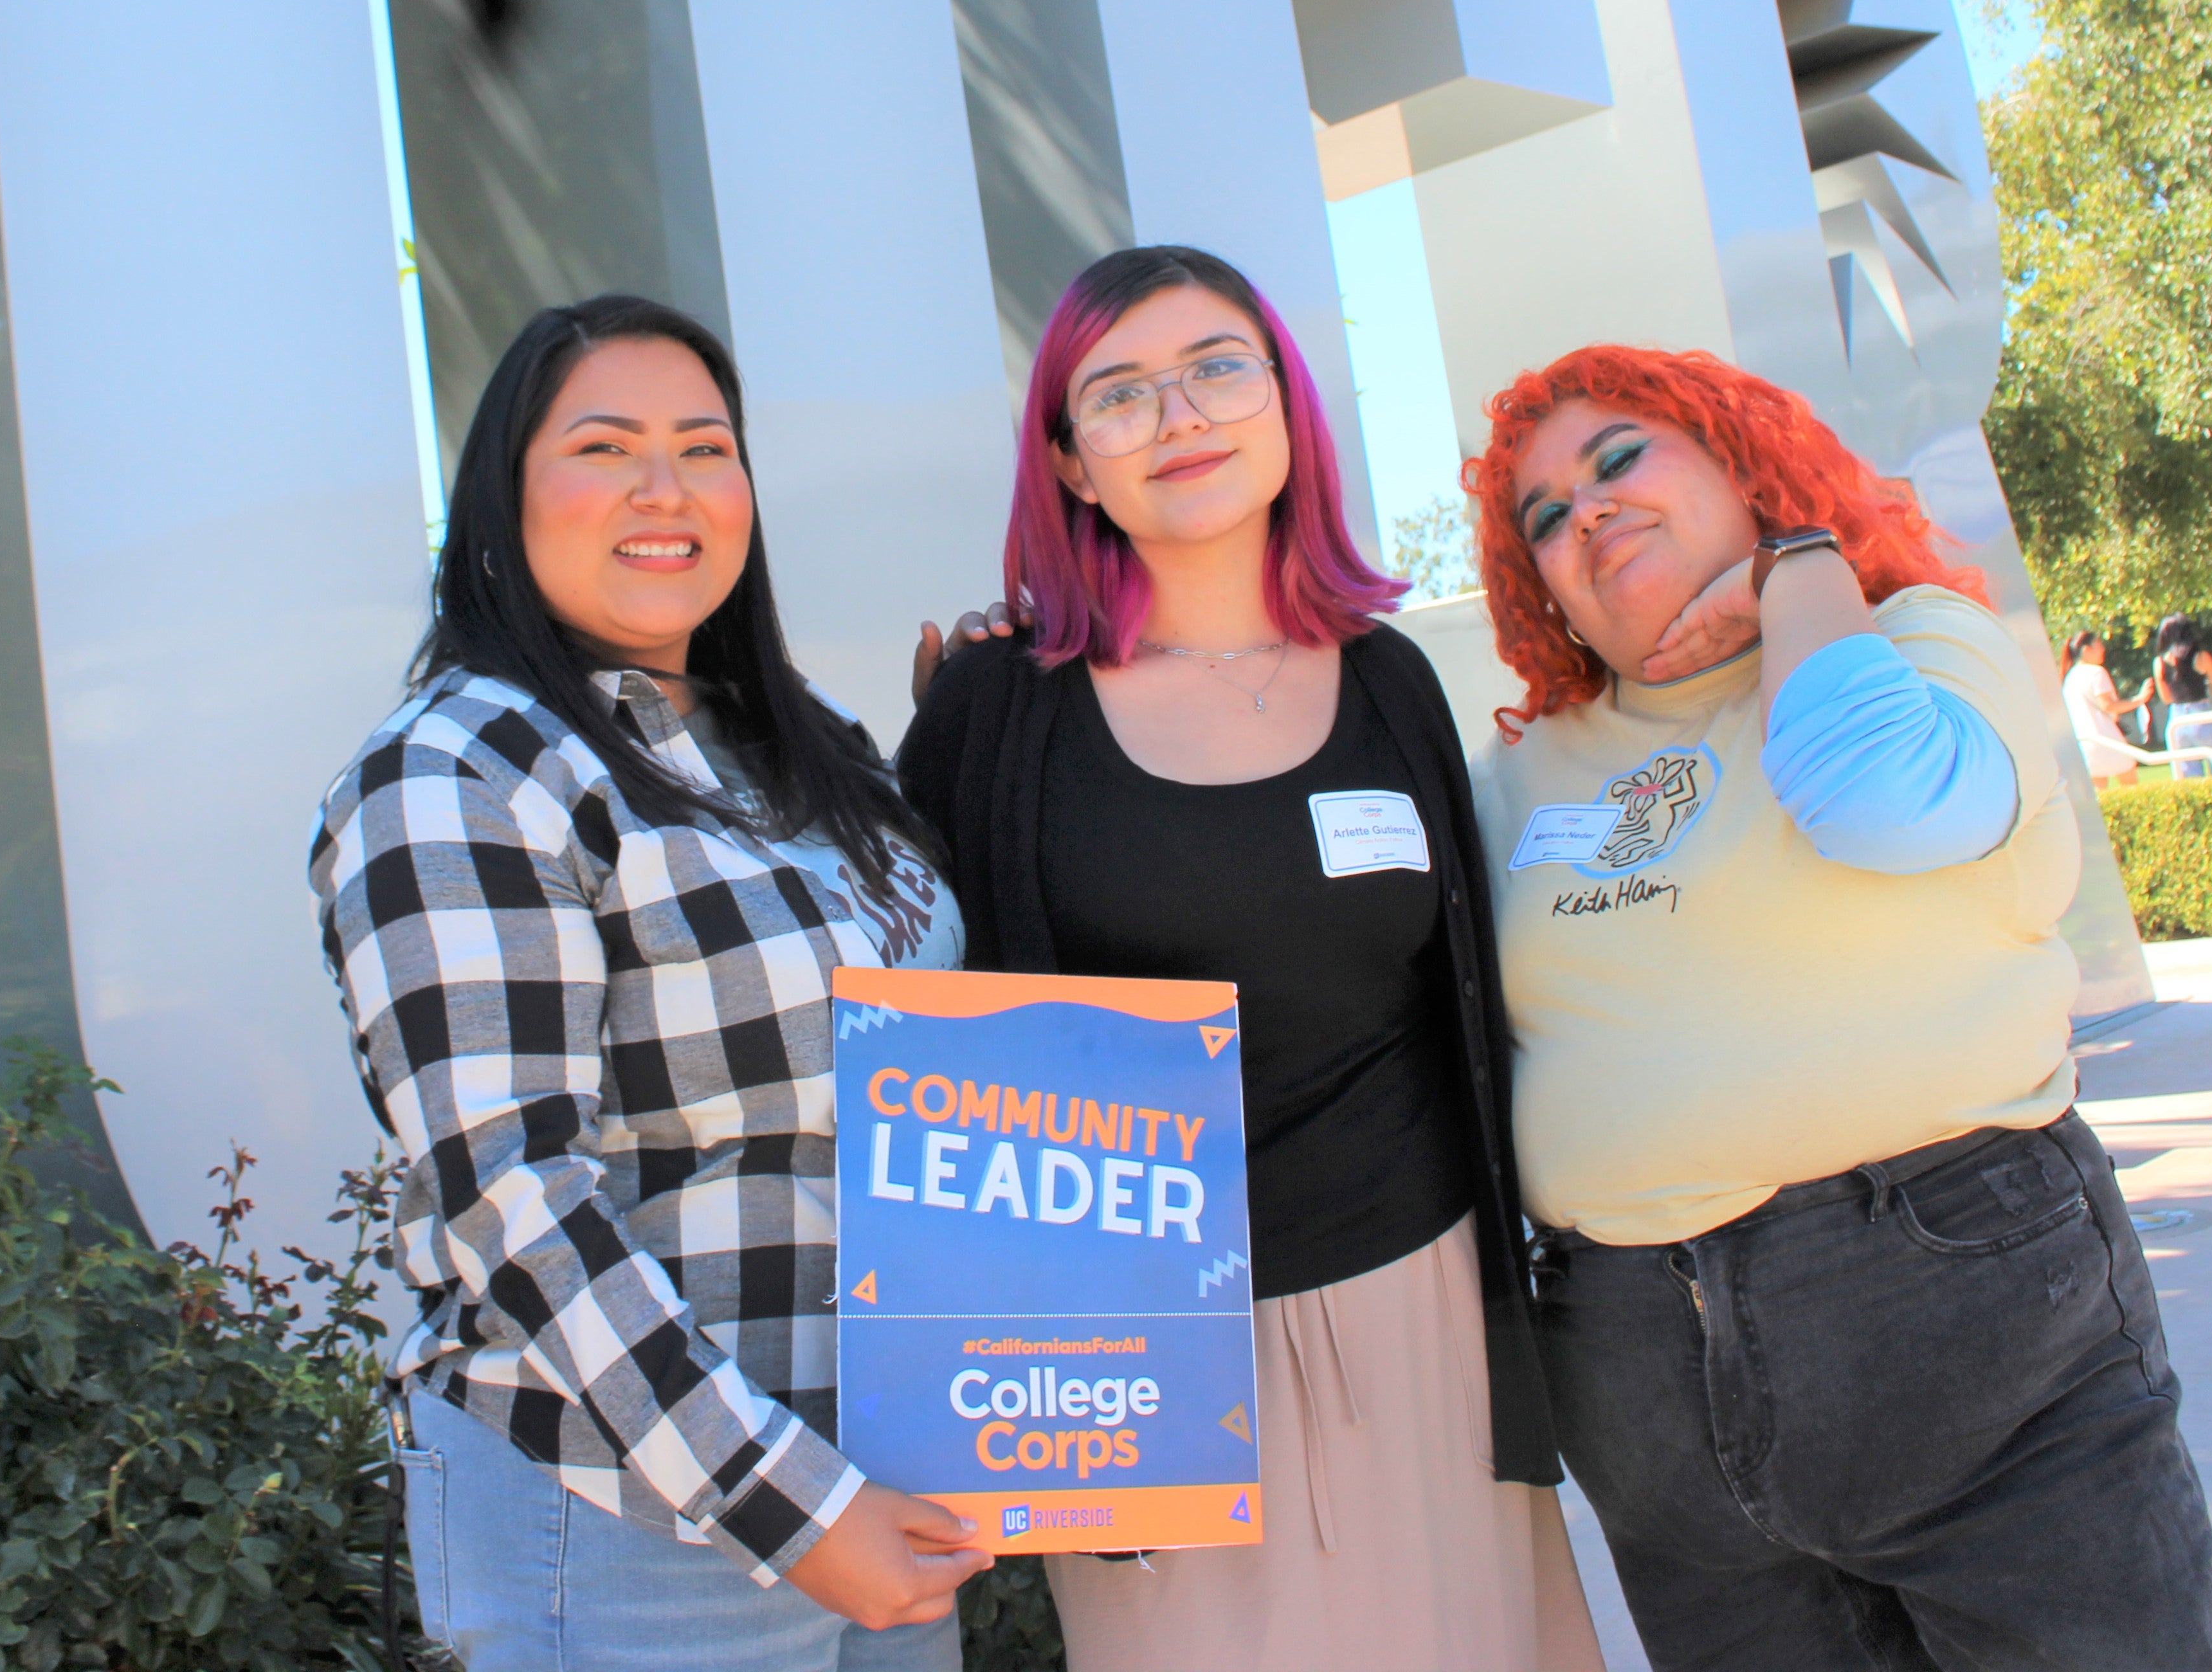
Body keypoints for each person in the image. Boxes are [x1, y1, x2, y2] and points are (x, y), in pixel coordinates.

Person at [1465, 343, 2212, 1672]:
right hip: (1642, 1381)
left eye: (1620, 462)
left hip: (1956, 1314)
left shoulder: (1913, 639)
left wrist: (1803, 565)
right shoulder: (1520, 771)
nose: (1587, 513)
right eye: (1546, 517)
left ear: (1745, 463)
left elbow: (1878, 797)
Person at [898, 246, 1602, 1672]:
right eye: (1121, 393)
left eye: (1220, 367)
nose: (1180, 415)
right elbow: (930, 1044)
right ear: (1073, 467)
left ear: (1287, 408)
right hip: (1139, 1373)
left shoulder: (1392, 679)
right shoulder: (996, 710)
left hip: (1426, 1310)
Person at [309, 296, 990, 1672]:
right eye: (605, 447)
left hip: (886, 1468)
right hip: (635, 1519)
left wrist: (990, 718)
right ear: (505, 499)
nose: (664, 488)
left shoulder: (798, 739)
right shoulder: (460, 773)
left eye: (705, 446)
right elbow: (518, 1203)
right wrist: (796, 1509)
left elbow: (905, 1030)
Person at [2059, 629, 2150, 790]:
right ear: (2086, 650)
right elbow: (2108, 705)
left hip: (2085, 742)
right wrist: (2139, 699)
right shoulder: (2096, 673)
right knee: (2131, 787)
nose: (2103, 650)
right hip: (2106, 739)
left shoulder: (2070, 677)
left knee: (2100, 795)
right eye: (2099, 646)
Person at [2152, 611, 2212, 777]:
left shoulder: (2159, 662)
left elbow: (2166, 698)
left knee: (2188, 775)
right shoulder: (2201, 657)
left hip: (2177, 719)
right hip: (2202, 713)